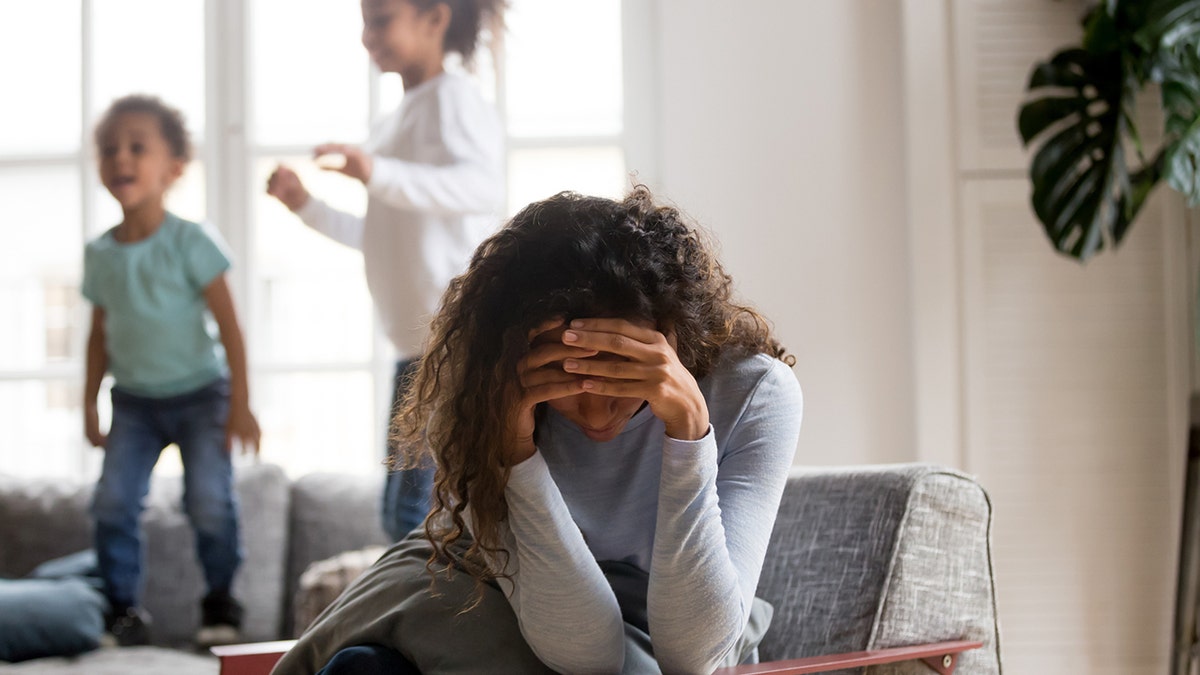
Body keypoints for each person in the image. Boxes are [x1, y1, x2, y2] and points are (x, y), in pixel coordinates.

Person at [272, 188, 804, 675]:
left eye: (621, 374)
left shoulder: (754, 393)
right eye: (565, 379)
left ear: (672, 337)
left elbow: (695, 655)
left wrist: (689, 432)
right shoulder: (481, 394)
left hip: (666, 614)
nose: (596, 413)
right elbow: (586, 650)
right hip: (493, 583)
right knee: (363, 669)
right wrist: (515, 453)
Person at [265, 0, 506, 543]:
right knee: (402, 509)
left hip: (453, 338)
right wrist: (305, 205)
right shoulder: (393, 121)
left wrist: (376, 171)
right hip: (414, 345)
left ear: (434, 18)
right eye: (365, 21)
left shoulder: (454, 98)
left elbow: (481, 189)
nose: (366, 36)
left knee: (412, 512)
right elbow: (377, 237)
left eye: (379, 20)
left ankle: (417, 617)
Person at [82, 94, 261, 648]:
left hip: (202, 395)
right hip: (133, 402)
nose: (121, 159)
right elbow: (98, 337)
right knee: (112, 503)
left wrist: (240, 403)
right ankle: (122, 611)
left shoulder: (191, 240)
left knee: (208, 500)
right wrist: (89, 403)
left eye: (138, 147)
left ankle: (220, 602)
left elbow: (231, 327)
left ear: (173, 168)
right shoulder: (101, 255)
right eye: (110, 149)